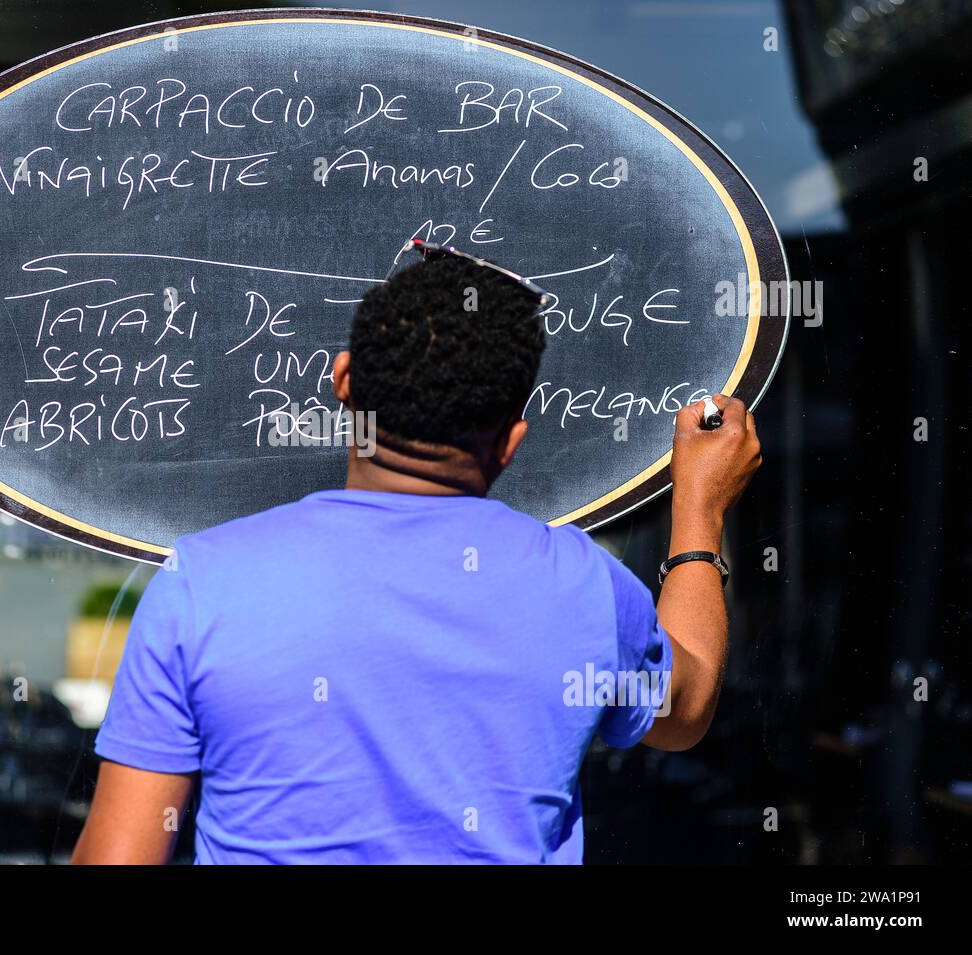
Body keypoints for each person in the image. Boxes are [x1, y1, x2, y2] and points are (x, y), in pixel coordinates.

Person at [71, 253, 761, 864]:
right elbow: (685, 704)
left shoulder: (203, 585)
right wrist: (699, 506)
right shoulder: (583, 588)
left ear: (343, 380)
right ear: (511, 439)